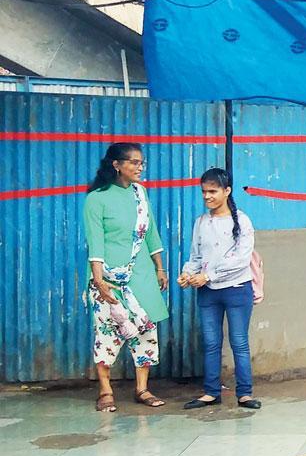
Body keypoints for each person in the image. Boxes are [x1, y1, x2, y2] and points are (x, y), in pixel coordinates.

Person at [83, 142, 169, 411]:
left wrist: (159, 267)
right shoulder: (96, 198)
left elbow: (150, 231)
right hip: (107, 277)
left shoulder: (140, 194)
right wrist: (99, 282)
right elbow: (95, 242)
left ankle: (142, 389)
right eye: (133, 162)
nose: (139, 167)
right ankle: (105, 390)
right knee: (107, 332)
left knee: (146, 331)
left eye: (141, 162)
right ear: (116, 164)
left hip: (141, 273)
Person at [178, 168, 261, 410]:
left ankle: (244, 393)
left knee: (239, 342)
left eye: (213, 191)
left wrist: (208, 276)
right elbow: (196, 255)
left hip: (237, 289)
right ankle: (211, 392)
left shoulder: (242, 221)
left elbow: (240, 259)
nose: (207, 196)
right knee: (211, 342)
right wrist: (187, 273)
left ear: (227, 191)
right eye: (204, 191)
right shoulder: (201, 222)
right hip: (207, 292)